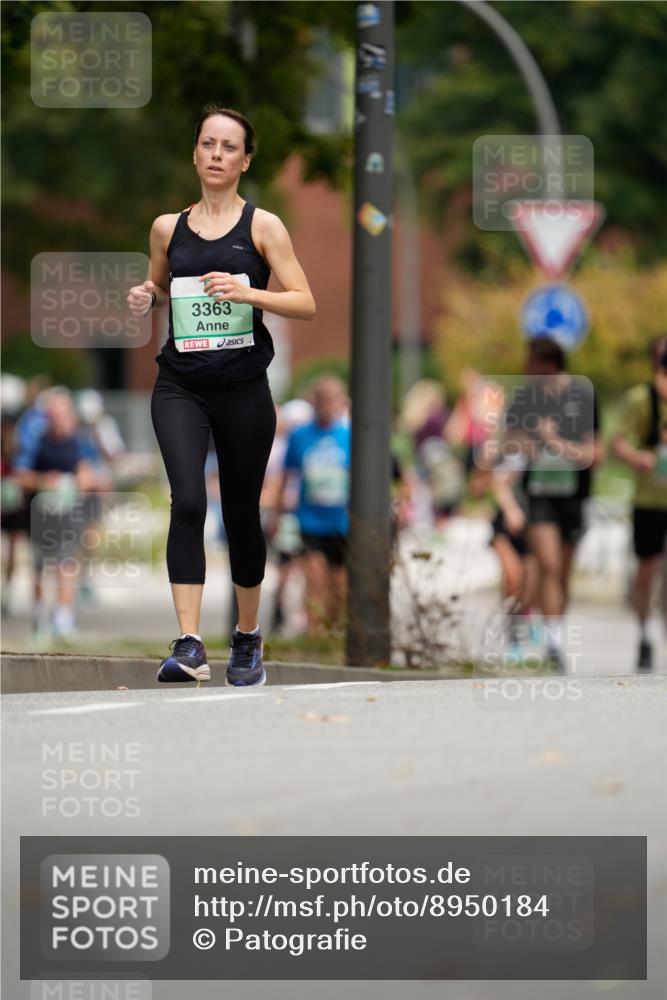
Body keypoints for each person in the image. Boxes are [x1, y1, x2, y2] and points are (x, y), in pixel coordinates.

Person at [126, 104, 316, 685]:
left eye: (229, 147)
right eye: (208, 143)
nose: (216, 154)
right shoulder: (167, 228)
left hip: (243, 389)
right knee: (188, 501)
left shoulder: (263, 227)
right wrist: (147, 296)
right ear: (195, 153)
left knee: (241, 514)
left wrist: (247, 292)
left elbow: (305, 301)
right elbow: (163, 285)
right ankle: (188, 644)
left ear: (245, 160)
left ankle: (247, 635)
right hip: (180, 384)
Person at [504, 337, 603, 671]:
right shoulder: (524, 398)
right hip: (539, 494)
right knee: (548, 563)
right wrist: (527, 443)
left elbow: (595, 455)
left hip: (574, 495)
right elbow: (507, 441)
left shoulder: (583, 396)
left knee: (563, 572)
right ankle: (553, 644)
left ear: (547, 365)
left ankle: (553, 631)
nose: (525, 368)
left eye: (530, 361)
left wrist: (556, 442)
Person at [13, 389, 98, 640]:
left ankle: (63, 619)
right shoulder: (36, 441)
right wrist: (43, 481)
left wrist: (76, 481)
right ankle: (39, 616)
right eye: (53, 416)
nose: (58, 420)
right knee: (41, 566)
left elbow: (90, 474)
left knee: (66, 563)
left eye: (62, 415)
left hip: (68, 512)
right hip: (40, 513)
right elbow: (21, 475)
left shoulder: (80, 442)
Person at [276, 377, 350, 634]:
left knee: (339, 587)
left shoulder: (348, 436)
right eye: (322, 400)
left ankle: (335, 634)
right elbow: (286, 476)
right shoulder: (300, 436)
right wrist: (279, 515)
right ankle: (315, 634)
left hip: (341, 522)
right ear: (314, 402)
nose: (327, 406)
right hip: (310, 520)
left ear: (340, 402)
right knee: (315, 581)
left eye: (332, 400)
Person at [611, 335, 667, 670]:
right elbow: (617, 442)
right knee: (647, 571)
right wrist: (638, 458)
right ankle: (645, 633)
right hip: (649, 499)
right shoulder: (641, 399)